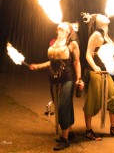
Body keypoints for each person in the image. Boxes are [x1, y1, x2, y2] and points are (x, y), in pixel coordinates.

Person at [30, 21, 84, 151]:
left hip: (67, 78)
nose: (62, 24)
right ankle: (69, 132)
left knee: (62, 106)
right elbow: (51, 61)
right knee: (63, 106)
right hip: (53, 79)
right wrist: (38, 66)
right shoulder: (54, 43)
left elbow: (77, 62)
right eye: (60, 24)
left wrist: (79, 78)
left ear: (68, 31)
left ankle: (65, 140)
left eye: (65, 24)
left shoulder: (72, 44)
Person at [81, 12, 114, 141]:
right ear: (96, 21)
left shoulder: (105, 34)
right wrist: (95, 67)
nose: (105, 15)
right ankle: (88, 131)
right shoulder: (96, 35)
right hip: (95, 72)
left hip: (105, 73)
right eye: (101, 15)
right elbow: (88, 54)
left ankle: (113, 129)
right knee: (93, 100)